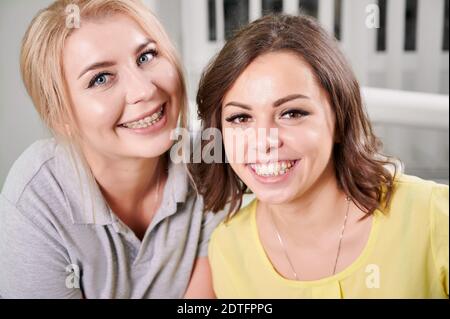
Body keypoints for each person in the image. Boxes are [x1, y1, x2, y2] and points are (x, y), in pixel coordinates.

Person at [191, 14, 449, 298]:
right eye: (240, 118)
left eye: (292, 113)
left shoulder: (433, 217)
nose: (263, 142)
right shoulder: (228, 249)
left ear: (340, 120)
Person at [0, 0, 224, 298]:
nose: (145, 90)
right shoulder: (38, 195)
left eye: (146, 56)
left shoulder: (209, 161)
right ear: (60, 116)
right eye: (100, 78)